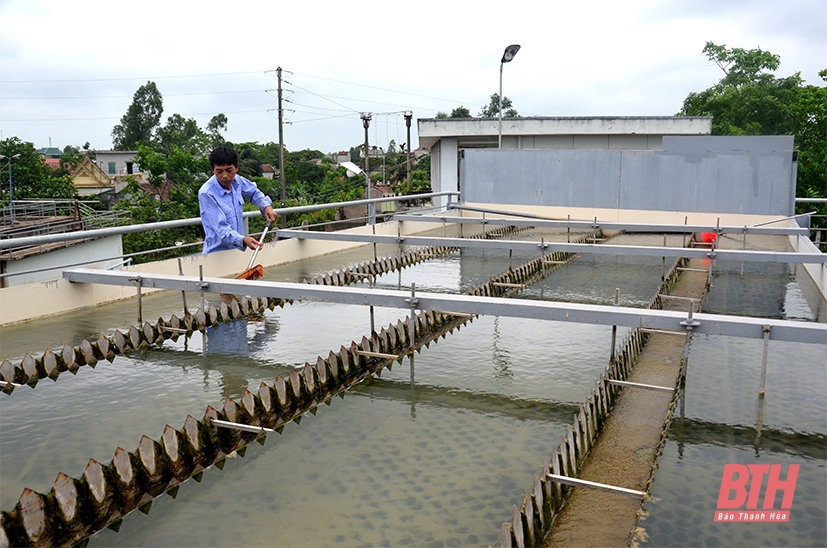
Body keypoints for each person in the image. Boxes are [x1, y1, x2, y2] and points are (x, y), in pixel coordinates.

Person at [198, 146, 278, 255]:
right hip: (216, 254)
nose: (225, 176)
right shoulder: (206, 193)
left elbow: (254, 192)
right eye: (219, 171)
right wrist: (243, 240)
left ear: (236, 167)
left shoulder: (238, 181)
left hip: (236, 252)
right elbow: (221, 228)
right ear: (213, 169)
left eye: (229, 170)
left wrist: (266, 206)